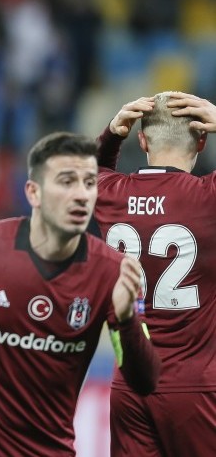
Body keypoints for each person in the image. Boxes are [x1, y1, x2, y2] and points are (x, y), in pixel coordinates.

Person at [0, 131, 160, 456]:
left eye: (89, 183)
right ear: (33, 192)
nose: (81, 195)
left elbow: (146, 381)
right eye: (66, 182)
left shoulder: (112, 270)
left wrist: (126, 321)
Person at [94, 91, 216, 457]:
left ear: (142, 140)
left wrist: (111, 136)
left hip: (129, 388)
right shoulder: (207, 197)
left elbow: (91, 172)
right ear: (202, 139)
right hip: (195, 388)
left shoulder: (108, 194)